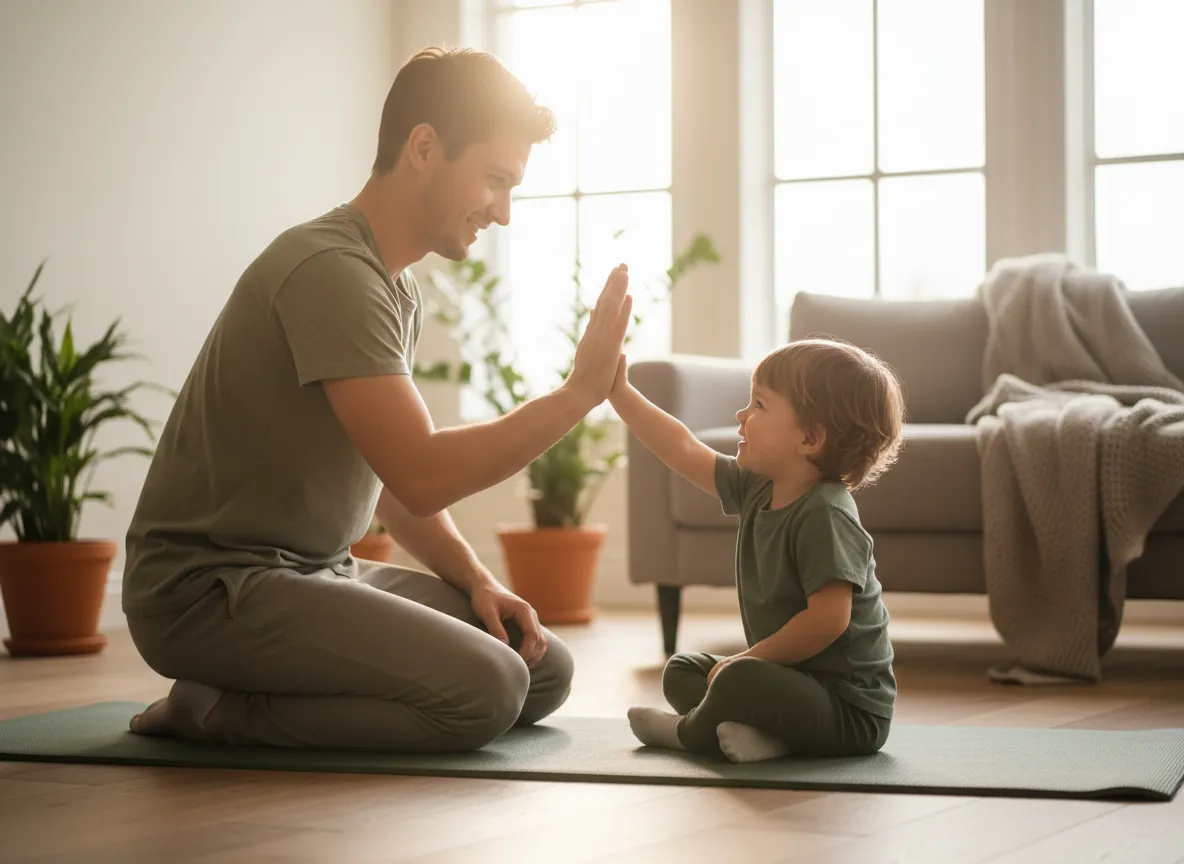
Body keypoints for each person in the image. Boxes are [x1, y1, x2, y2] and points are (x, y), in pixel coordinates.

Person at [121, 47, 633, 752]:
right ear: (424, 147)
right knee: (488, 689)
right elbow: (423, 471)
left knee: (538, 667)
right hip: (210, 591)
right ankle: (215, 710)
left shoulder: (395, 289)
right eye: (494, 180)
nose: (504, 213)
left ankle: (257, 691)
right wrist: (578, 395)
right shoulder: (331, 272)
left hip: (316, 574)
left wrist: (478, 580)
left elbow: (394, 482)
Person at [610, 338, 903, 763]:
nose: (741, 415)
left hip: (849, 713)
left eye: (760, 406)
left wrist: (748, 659)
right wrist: (619, 394)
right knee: (683, 670)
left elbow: (827, 620)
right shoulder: (757, 487)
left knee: (738, 676)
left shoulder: (827, 513)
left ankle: (688, 733)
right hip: (788, 683)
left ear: (810, 438)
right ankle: (766, 739)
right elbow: (683, 449)